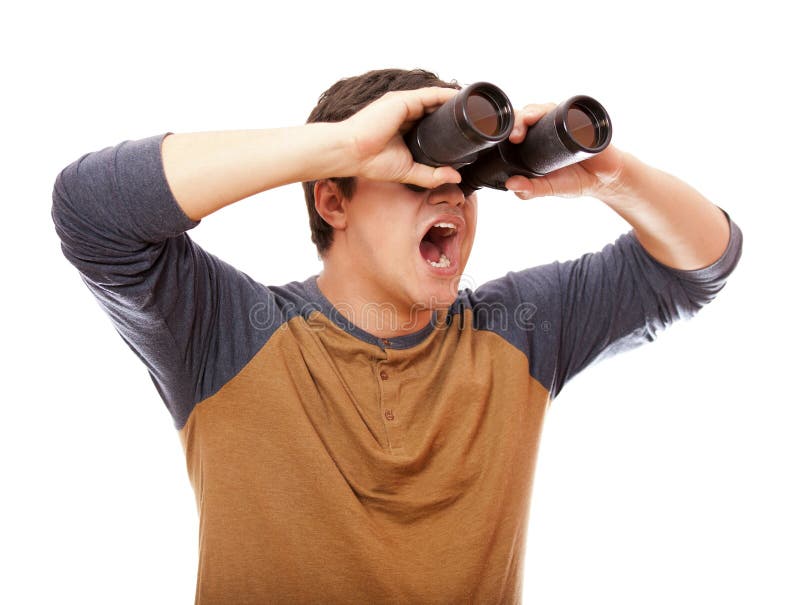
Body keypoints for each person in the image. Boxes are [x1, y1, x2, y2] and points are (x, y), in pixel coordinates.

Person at [51, 68, 742, 604]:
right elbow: (90, 212)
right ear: (332, 198)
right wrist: (345, 144)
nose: (450, 193)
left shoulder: (518, 331)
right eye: (416, 173)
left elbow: (697, 265)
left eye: (467, 176)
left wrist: (612, 177)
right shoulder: (226, 331)